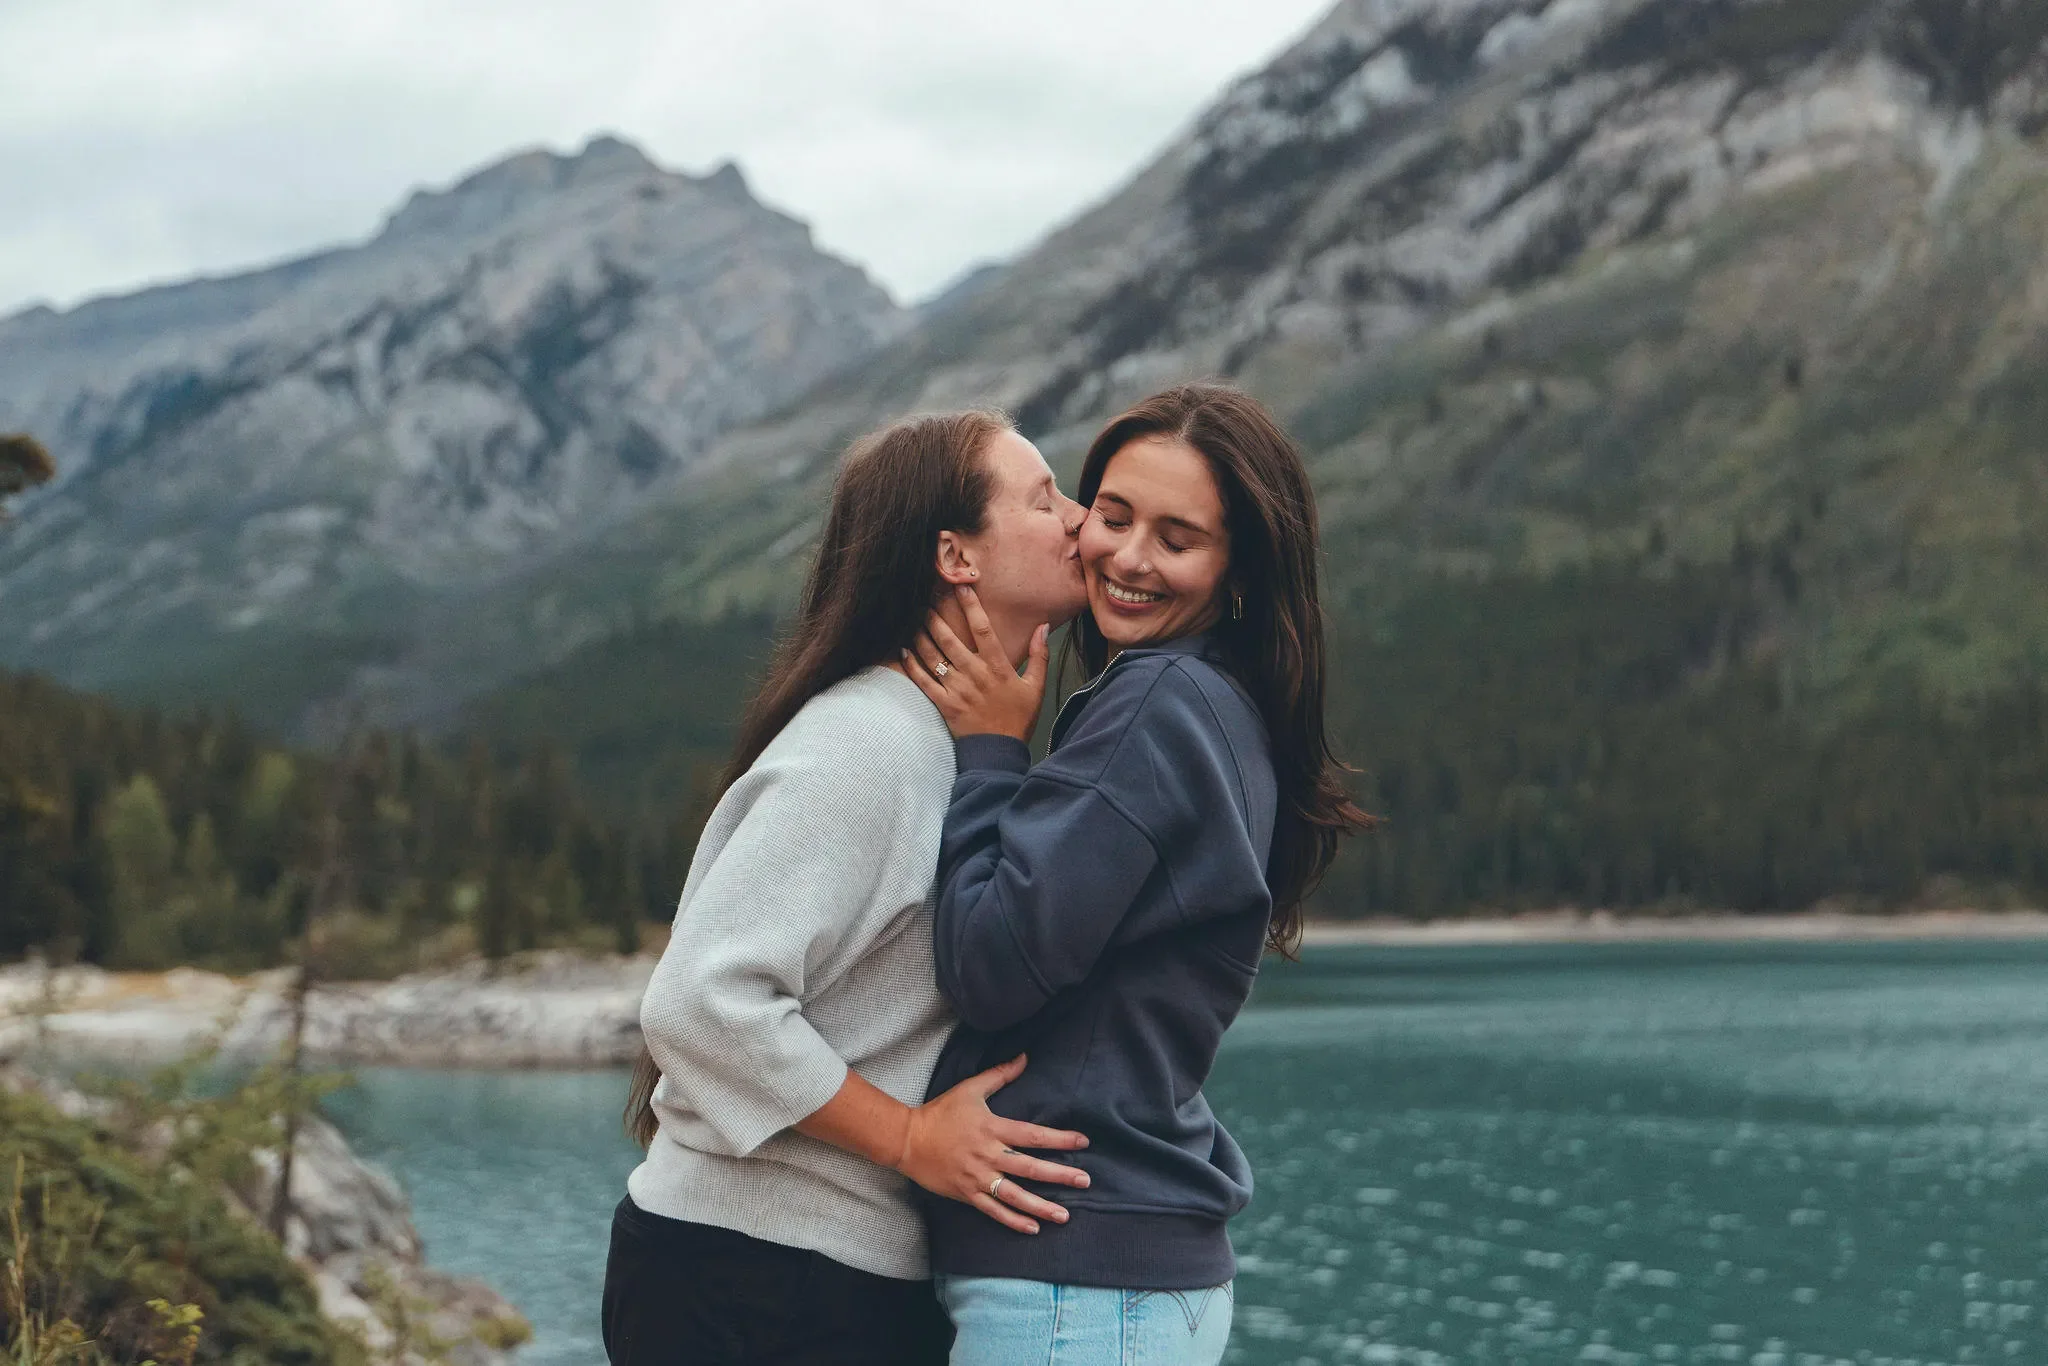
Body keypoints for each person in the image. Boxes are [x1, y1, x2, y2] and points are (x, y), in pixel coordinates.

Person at [604, 409, 1099, 1366]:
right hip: (754, 1282)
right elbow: (701, 1002)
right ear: (957, 556)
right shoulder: (870, 744)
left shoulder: (936, 743)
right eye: (1046, 498)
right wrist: (913, 1138)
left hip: (807, 1278)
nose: (1082, 521)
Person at [904, 384, 1372, 1366]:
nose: (1126, 557)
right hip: (1117, 1277)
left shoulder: (1155, 705)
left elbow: (992, 962)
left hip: (1076, 1283)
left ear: (1235, 564)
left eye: (1177, 537)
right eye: (1110, 517)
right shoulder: (1218, 705)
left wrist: (988, 748)